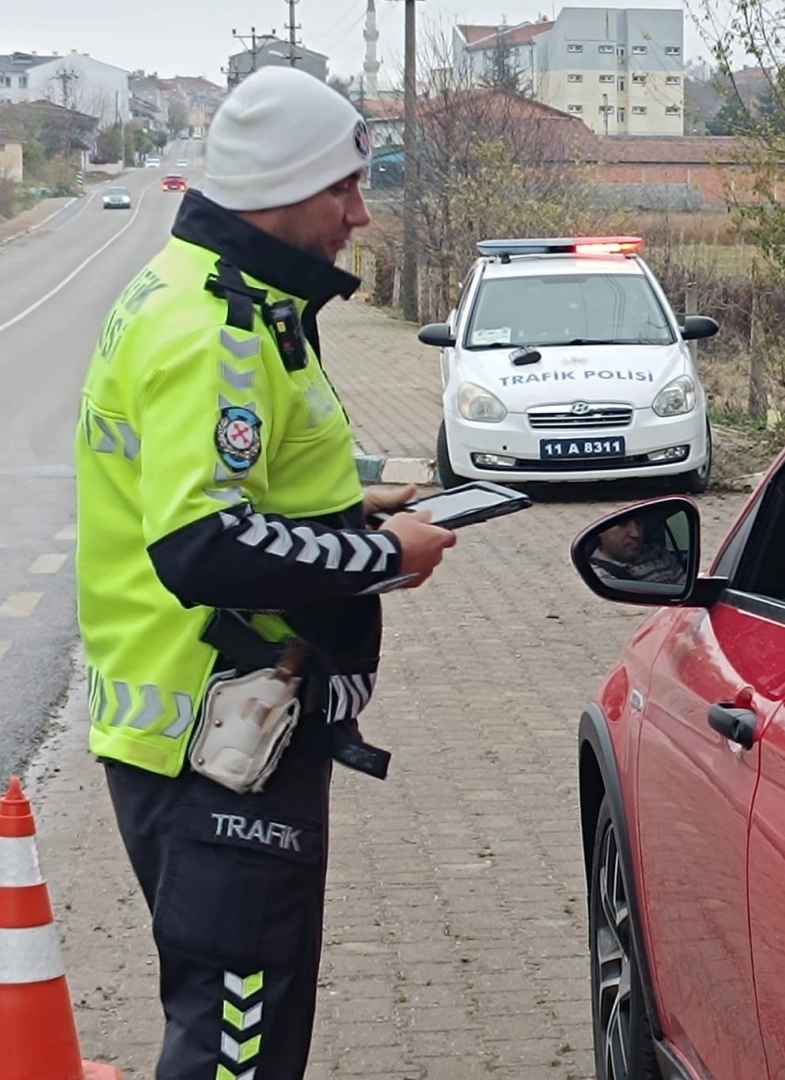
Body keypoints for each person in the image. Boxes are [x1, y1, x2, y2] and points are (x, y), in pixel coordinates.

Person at [75, 67, 457, 1080]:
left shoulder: (217, 296)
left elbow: (230, 493)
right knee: (234, 1046)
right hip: (214, 739)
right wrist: (380, 557)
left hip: (217, 730)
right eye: (348, 188)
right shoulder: (215, 328)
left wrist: (348, 509)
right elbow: (200, 543)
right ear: (287, 187)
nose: (361, 215)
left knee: (241, 1022)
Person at [590, 513, 689, 585]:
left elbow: (684, 586)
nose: (635, 534)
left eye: (639, 522)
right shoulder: (598, 576)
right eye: (623, 524)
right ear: (600, 529)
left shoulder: (657, 551)